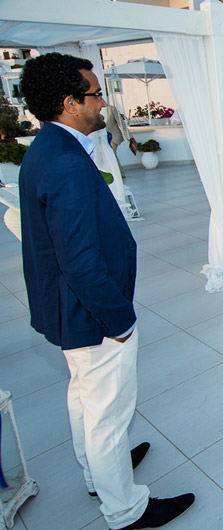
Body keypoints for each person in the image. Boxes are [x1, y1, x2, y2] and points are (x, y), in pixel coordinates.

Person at [18, 52, 193, 530]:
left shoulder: (50, 148)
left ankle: (98, 473)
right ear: (71, 103)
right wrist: (119, 320)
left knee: (84, 400)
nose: (103, 102)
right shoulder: (66, 164)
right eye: (96, 94)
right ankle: (125, 507)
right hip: (92, 315)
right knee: (108, 415)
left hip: (68, 310)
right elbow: (79, 260)